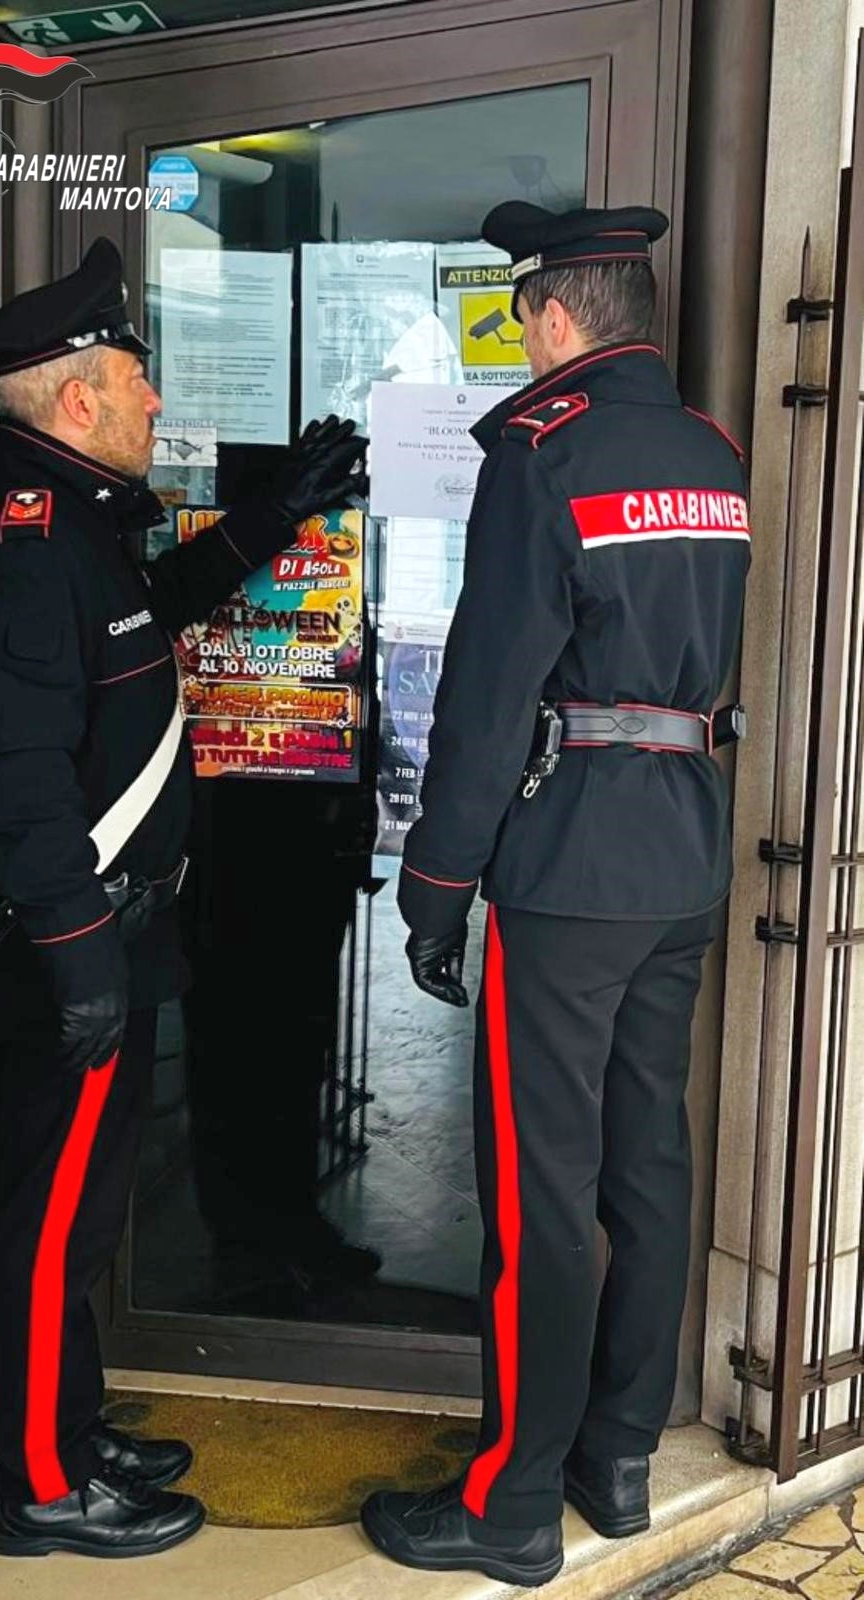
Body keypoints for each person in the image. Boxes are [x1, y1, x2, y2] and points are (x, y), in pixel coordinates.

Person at [0, 237, 366, 1560]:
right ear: (78, 397)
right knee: (48, 1219)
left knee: (79, 1214)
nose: (155, 402)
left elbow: (148, 617)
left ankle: (67, 1428)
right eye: (137, 377)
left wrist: (270, 518)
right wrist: (78, 962)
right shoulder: (31, 546)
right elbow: (11, 776)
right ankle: (42, 1491)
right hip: (71, 953)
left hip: (114, 942)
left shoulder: (75, 525)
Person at [359, 203, 750, 1587]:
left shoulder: (544, 454)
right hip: (686, 854)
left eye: (526, 315)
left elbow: (488, 691)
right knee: (648, 1160)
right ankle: (618, 1460)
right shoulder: (712, 456)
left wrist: (437, 882)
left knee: (539, 1187)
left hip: (572, 860)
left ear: (554, 318)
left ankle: (513, 1504)